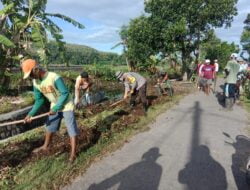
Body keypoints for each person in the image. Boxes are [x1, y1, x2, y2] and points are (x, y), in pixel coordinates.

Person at [21, 59, 79, 162]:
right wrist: (30, 114)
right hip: (54, 105)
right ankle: (45, 146)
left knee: (71, 128)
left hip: (66, 105)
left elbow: (65, 93)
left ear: (36, 69)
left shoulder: (54, 77)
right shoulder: (36, 82)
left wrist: (56, 108)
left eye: (30, 74)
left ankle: (73, 153)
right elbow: (39, 100)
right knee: (49, 125)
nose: (30, 77)